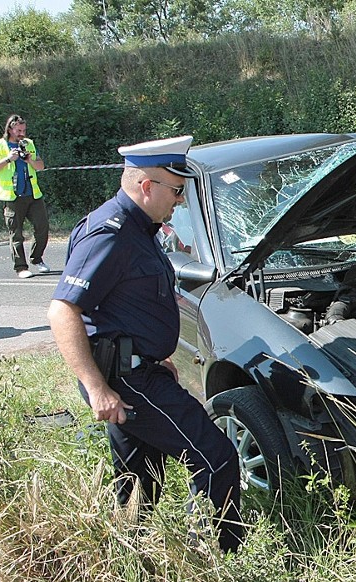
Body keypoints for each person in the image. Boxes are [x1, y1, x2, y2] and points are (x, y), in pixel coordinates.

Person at [47, 135, 243, 552]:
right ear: (147, 186)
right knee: (217, 458)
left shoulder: (141, 227)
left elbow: (127, 304)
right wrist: (98, 388)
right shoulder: (110, 233)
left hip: (138, 368)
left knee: (139, 484)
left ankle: (137, 570)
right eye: (175, 191)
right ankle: (213, 563)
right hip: (124, 378)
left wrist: (159, 355)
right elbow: (63, 311)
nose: (180, 200)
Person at [0, 114, 51, 279]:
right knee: (16, 233)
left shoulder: (28, 144)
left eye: (24, 130)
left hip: (33, 194)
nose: (22, 133)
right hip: (12, 196)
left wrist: (29, 160)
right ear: (10, 129)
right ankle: (21, 267)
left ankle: (36, 259)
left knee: (42, 227)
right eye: (19, 130)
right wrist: (8, 159)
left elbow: (41, 166)